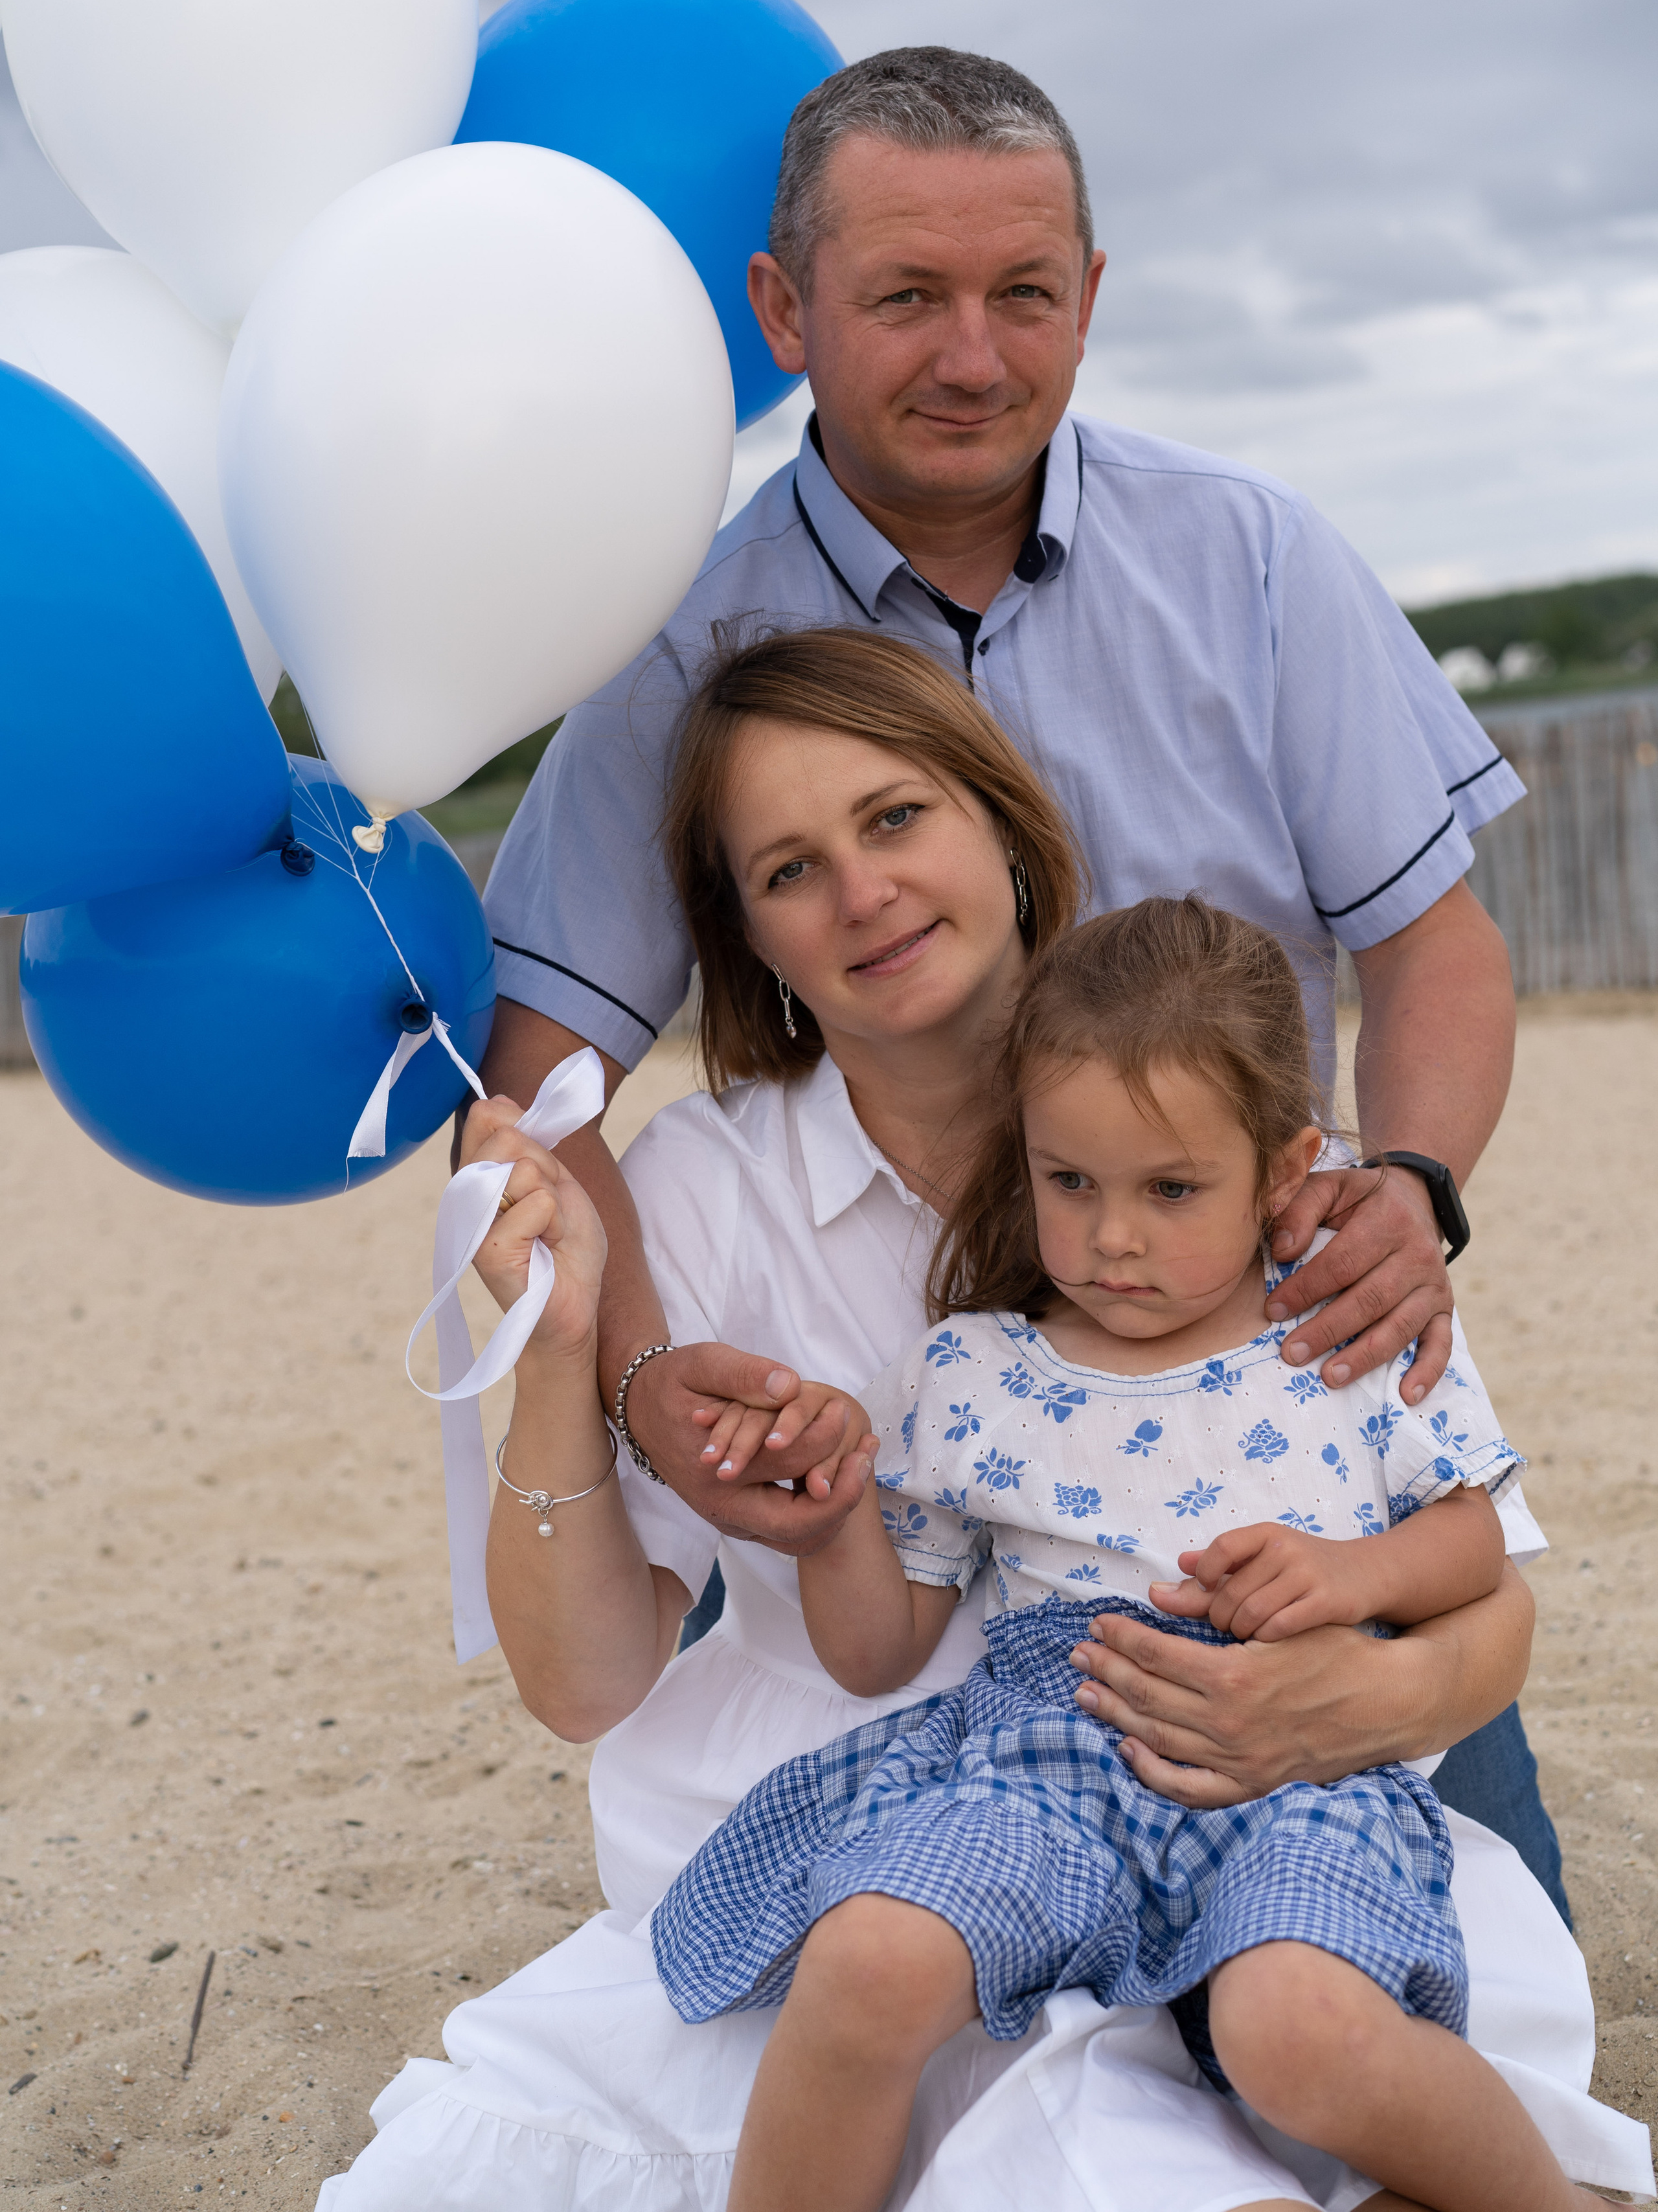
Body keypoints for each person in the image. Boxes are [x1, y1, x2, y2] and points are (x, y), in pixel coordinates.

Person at [319, 634, 1651, 2211]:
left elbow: (1482, 1591)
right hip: (932, 1837)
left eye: (894, 820)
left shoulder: (1290, 1207)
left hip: (1273, 1801)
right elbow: (592, 1681)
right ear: (743, 933)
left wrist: (1345, 1680)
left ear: (1003, 829)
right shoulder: (702, 1194)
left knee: (1269, 2079)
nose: (862, 892)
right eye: (788, 868)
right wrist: (561, 1349)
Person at [473, 44, 1556, 1888]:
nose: (975, 356)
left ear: (1092, 297)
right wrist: (645, 1389)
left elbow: (1436, 951)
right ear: (784, 309)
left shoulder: (1258, 557)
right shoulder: (673, 648)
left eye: (1025, 295)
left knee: (1458, 1999)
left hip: (1264, 1384)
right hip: (917, 1450)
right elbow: (535, 1092)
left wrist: (1413, 1188)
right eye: (906, 297)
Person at [651, 898, 1595, 2212]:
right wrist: (828, 1533)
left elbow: (1477, 1539)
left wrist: (1351, 1579)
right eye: (1068, 1182)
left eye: (1169, 1190)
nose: (1110, 1239)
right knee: (866, 1961)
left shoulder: (1344, 1329)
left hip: (1297, 1776)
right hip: (1046, 1759)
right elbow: (877, 1654)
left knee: (1297, 2032)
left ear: (1281, 1170)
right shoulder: (966, 1373)